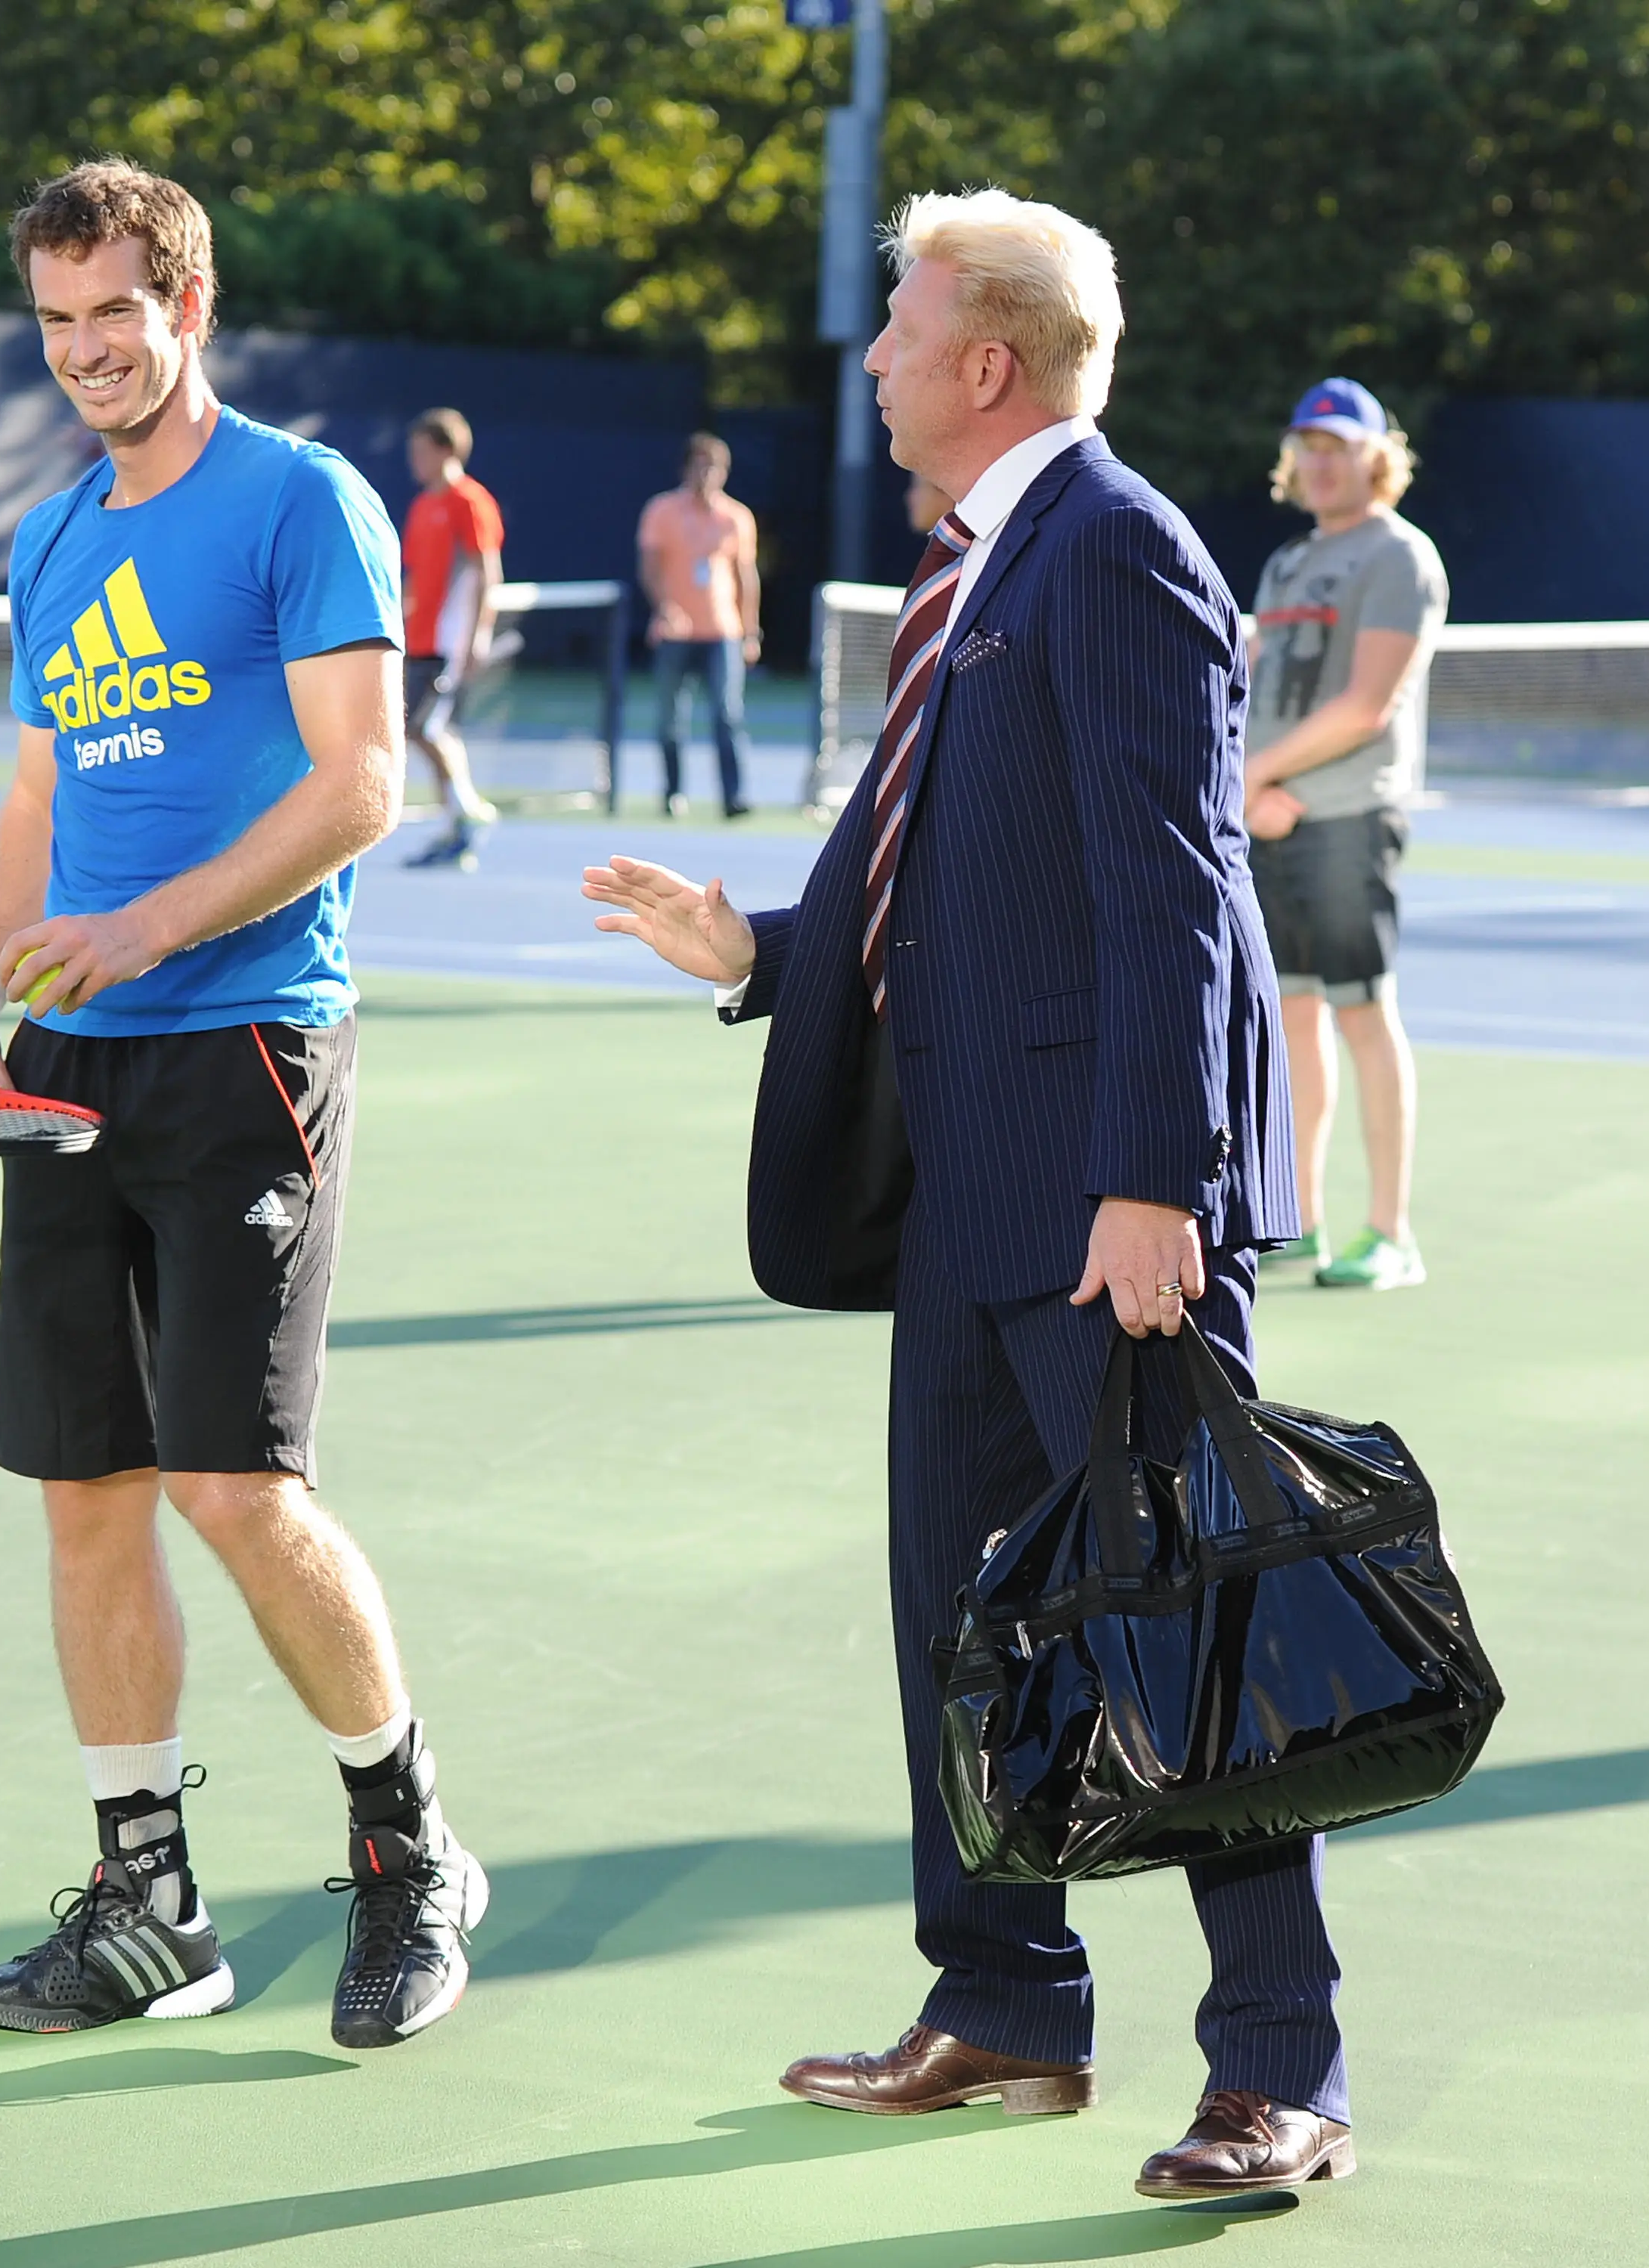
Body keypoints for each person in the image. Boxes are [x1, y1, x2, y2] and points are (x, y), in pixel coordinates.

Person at [584, 187, 1353, 2201]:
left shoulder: (1114, 549)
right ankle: (1006, 2000)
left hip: (1106, 1211)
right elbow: (947, 874)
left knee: (1184, 1625)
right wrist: (763, 951)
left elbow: (1177, 895)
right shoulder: (984, 562)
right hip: (971, 1202)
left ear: (988, 363)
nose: (870, 359)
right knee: (964, 1623)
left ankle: (1282, 2067)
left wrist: (1157, 1184)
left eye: (899, 330)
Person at [0, 161, 484, 2049]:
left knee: (235, 1483)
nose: (85, 351)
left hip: (247, 1046)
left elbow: (361, 784)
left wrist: (143, 928)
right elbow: (33, 798)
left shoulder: (299, 499)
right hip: (67, 1071)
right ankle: (148, 1907)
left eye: (115, 314)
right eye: (56, 321)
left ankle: (409, 1853)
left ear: (188, 306)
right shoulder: (50, 537)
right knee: (87, 1492)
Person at [1243, 379, 1448, 1290]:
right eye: (1308, 447)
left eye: (1338, 447)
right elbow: (1250, 689)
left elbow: (1367, 705)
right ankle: (1300, 1218)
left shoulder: (1399, 556)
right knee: (1291, 1019)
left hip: (1348, 819)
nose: (1319, 463)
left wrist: (1254, 778)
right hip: (1268, 819)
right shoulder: (1287, 562)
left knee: (1362, 1014)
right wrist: (1250, 790)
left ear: (1376, 458)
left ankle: (1389, 1234)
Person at [401, 406, 506, 869]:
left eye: (423, 452)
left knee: (423, 727)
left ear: (447, 451)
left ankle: (467, 814)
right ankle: (459, 820)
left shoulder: (470, 502)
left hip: (449, 640)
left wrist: (479, 633)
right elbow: (413, 577)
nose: (416, 461)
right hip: (419, 638)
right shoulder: (423, 506)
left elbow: (486, 571)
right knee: (428, 728)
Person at [637, 433, 760, 819]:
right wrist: (665, 608)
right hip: (675, 634)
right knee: (670, 719)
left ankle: (734, 797)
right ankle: (673, 792)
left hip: (723, 632)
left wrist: (751, 631)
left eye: (714, 467)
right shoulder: (662, 511)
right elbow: (650, 569)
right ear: (686, 468)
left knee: (727, 714)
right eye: (700, 465)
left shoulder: (736, 517)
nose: (707, 474)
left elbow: (746, 577)